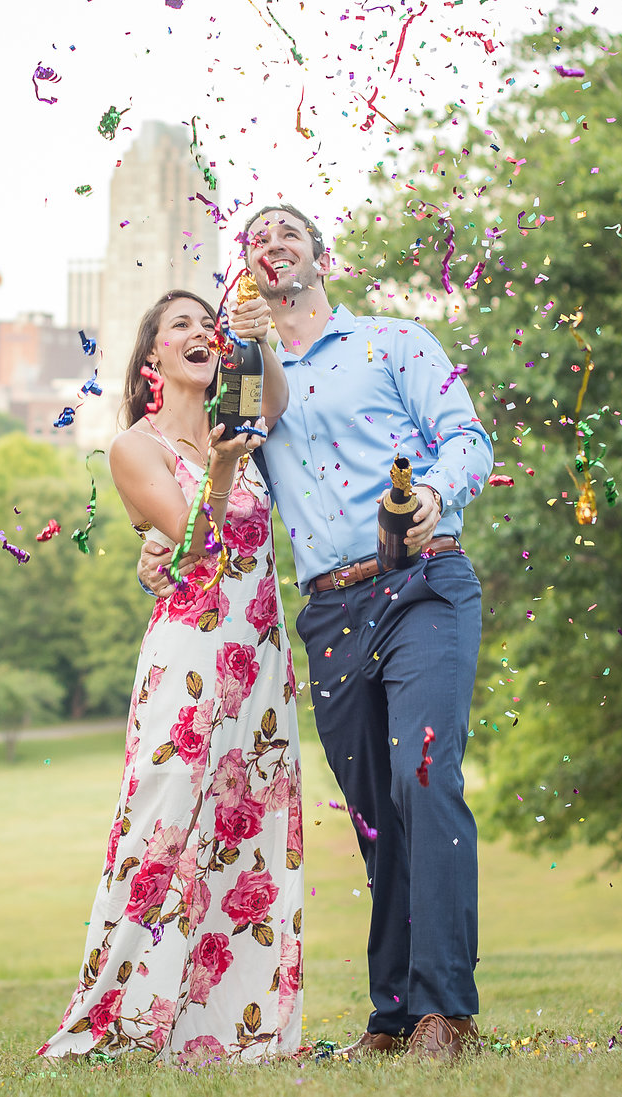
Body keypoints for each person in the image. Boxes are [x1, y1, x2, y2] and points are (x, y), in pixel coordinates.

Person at [140, 208, 493, 1064]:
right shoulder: (245, 376)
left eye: (289, 229)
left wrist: (435, 497)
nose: (273, 239)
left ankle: (450, 1012)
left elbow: (469, 441)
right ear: (248, 273)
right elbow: (207, 470)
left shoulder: (393, 341)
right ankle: (397, 1011)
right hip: (331, 612)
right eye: (256, 234)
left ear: (319, 254)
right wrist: (155, 541)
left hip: (422, 579)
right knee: (376, 815)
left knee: (423, 773)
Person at [38, 290, 304, 1065]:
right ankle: (109, 1017)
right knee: (158, 830)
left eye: (206, 322)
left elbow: (276, 398)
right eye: (178, 324)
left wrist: (263, 344)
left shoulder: (242, 425)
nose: (198, 332)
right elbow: (190, 546)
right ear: (152, 355)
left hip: (258, 657)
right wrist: (218, 472)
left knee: (248, 830)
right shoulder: (136, 447)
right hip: (188, 660)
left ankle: (232, 1030)